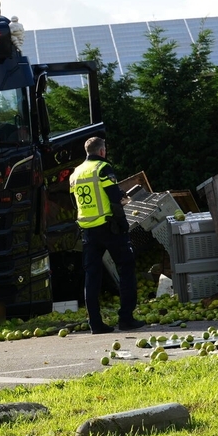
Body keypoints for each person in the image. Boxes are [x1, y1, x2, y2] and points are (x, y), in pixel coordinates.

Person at [68, 137, 144, 334]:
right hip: (109, 227)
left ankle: (95, 323)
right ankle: (126, 318)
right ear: (102, 151)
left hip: (87, 229)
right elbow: (114, 199)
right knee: (126, 267)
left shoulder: (75, 173)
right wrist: (123, 224)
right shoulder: (103, 168)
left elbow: (75, 202)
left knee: (92, 275)